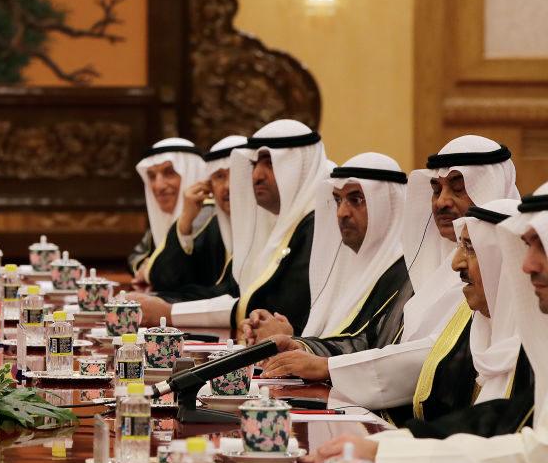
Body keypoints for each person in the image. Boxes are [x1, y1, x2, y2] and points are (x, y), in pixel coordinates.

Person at [309, 185, 548, 463]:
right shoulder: (484, 329)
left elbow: (534, 455)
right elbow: (492, 420)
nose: (526, 265)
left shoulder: (530, 347)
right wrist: (383, 448)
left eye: (541, 247)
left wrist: (383, 453)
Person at [260, 136, 519, 412]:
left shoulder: (499, 275)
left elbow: (441, 355)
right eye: (436, 190)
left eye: (458, 188)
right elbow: (371, 338)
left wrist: (329, 366)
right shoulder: (425, 267)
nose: (441, 202)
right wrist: (305, 349)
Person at [137, 119, 329, 330]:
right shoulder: (272, 226)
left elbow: (270, 308)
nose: (256, 176)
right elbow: (225, 292)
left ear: (299, 168)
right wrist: (160, 303)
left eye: (270, 163)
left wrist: (170, 312)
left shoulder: (317, 228)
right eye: (254, 165)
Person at [243, 153, 411, 348]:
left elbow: (367, 348)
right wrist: (287, 335)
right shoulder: (345, 267)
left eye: (356, 200)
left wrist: (295, 343)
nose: (341, 213)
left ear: (387, 205)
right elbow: (336, 339)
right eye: (338, 200)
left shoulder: (404, 274)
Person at [146, 135, 247, 294]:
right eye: (219, 176)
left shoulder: (207, 222)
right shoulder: (213, 226)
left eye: (237, 173)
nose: (158, 186)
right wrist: (185, 221)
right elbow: (166, 281)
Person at [127, 138, 206, 287]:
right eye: (152, 176)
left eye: (169, 173)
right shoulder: (163, 219)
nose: (158, 186)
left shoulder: (209, 218)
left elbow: (184, 275)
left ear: (191, 173)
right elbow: (135, 258)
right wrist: (147, 268)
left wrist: (151, 269)